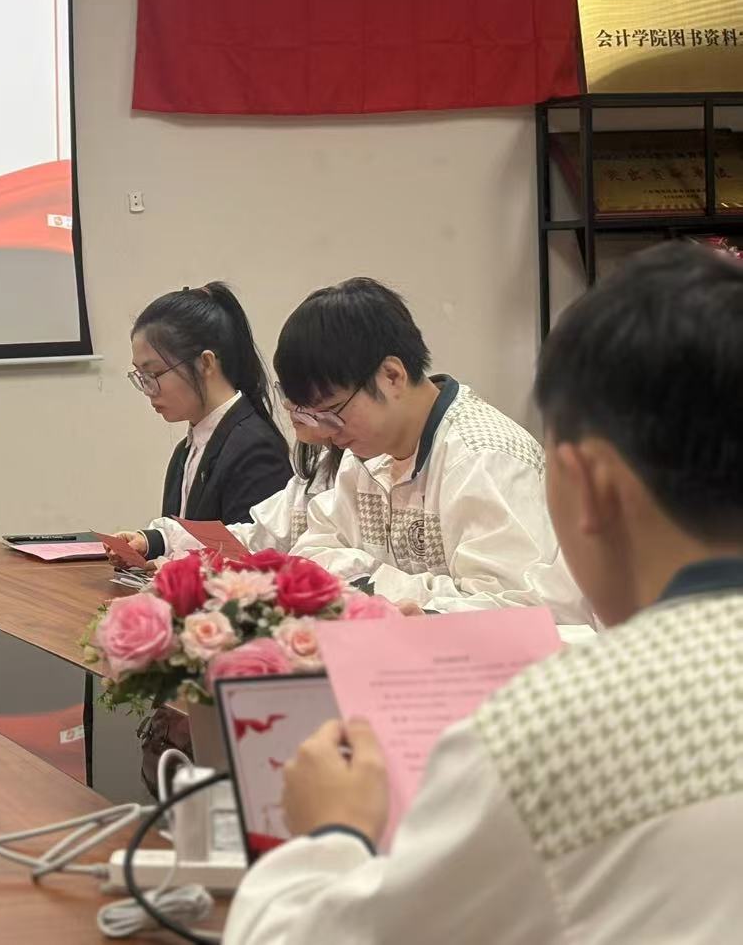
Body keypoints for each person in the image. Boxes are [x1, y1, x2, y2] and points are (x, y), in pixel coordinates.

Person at [223, 241, 743, 944]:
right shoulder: (361, 458)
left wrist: (332, 834)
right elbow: (315, 547)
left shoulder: (538, 734)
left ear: (587, 484)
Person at [268, 276, 587, 620]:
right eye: (314, 417)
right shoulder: (365, 455)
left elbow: (512, 609)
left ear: (392, 376)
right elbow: (312, 554)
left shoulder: (483, 457)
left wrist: (374, 582)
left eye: (333, 411)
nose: (326, 433)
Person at [113, 283, 292, 560]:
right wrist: (150, 550)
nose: (148, 390)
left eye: (154, 374)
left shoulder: (256, 448)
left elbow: (251, 560)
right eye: (140, 377)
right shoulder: (187, 449)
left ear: (206, 363)